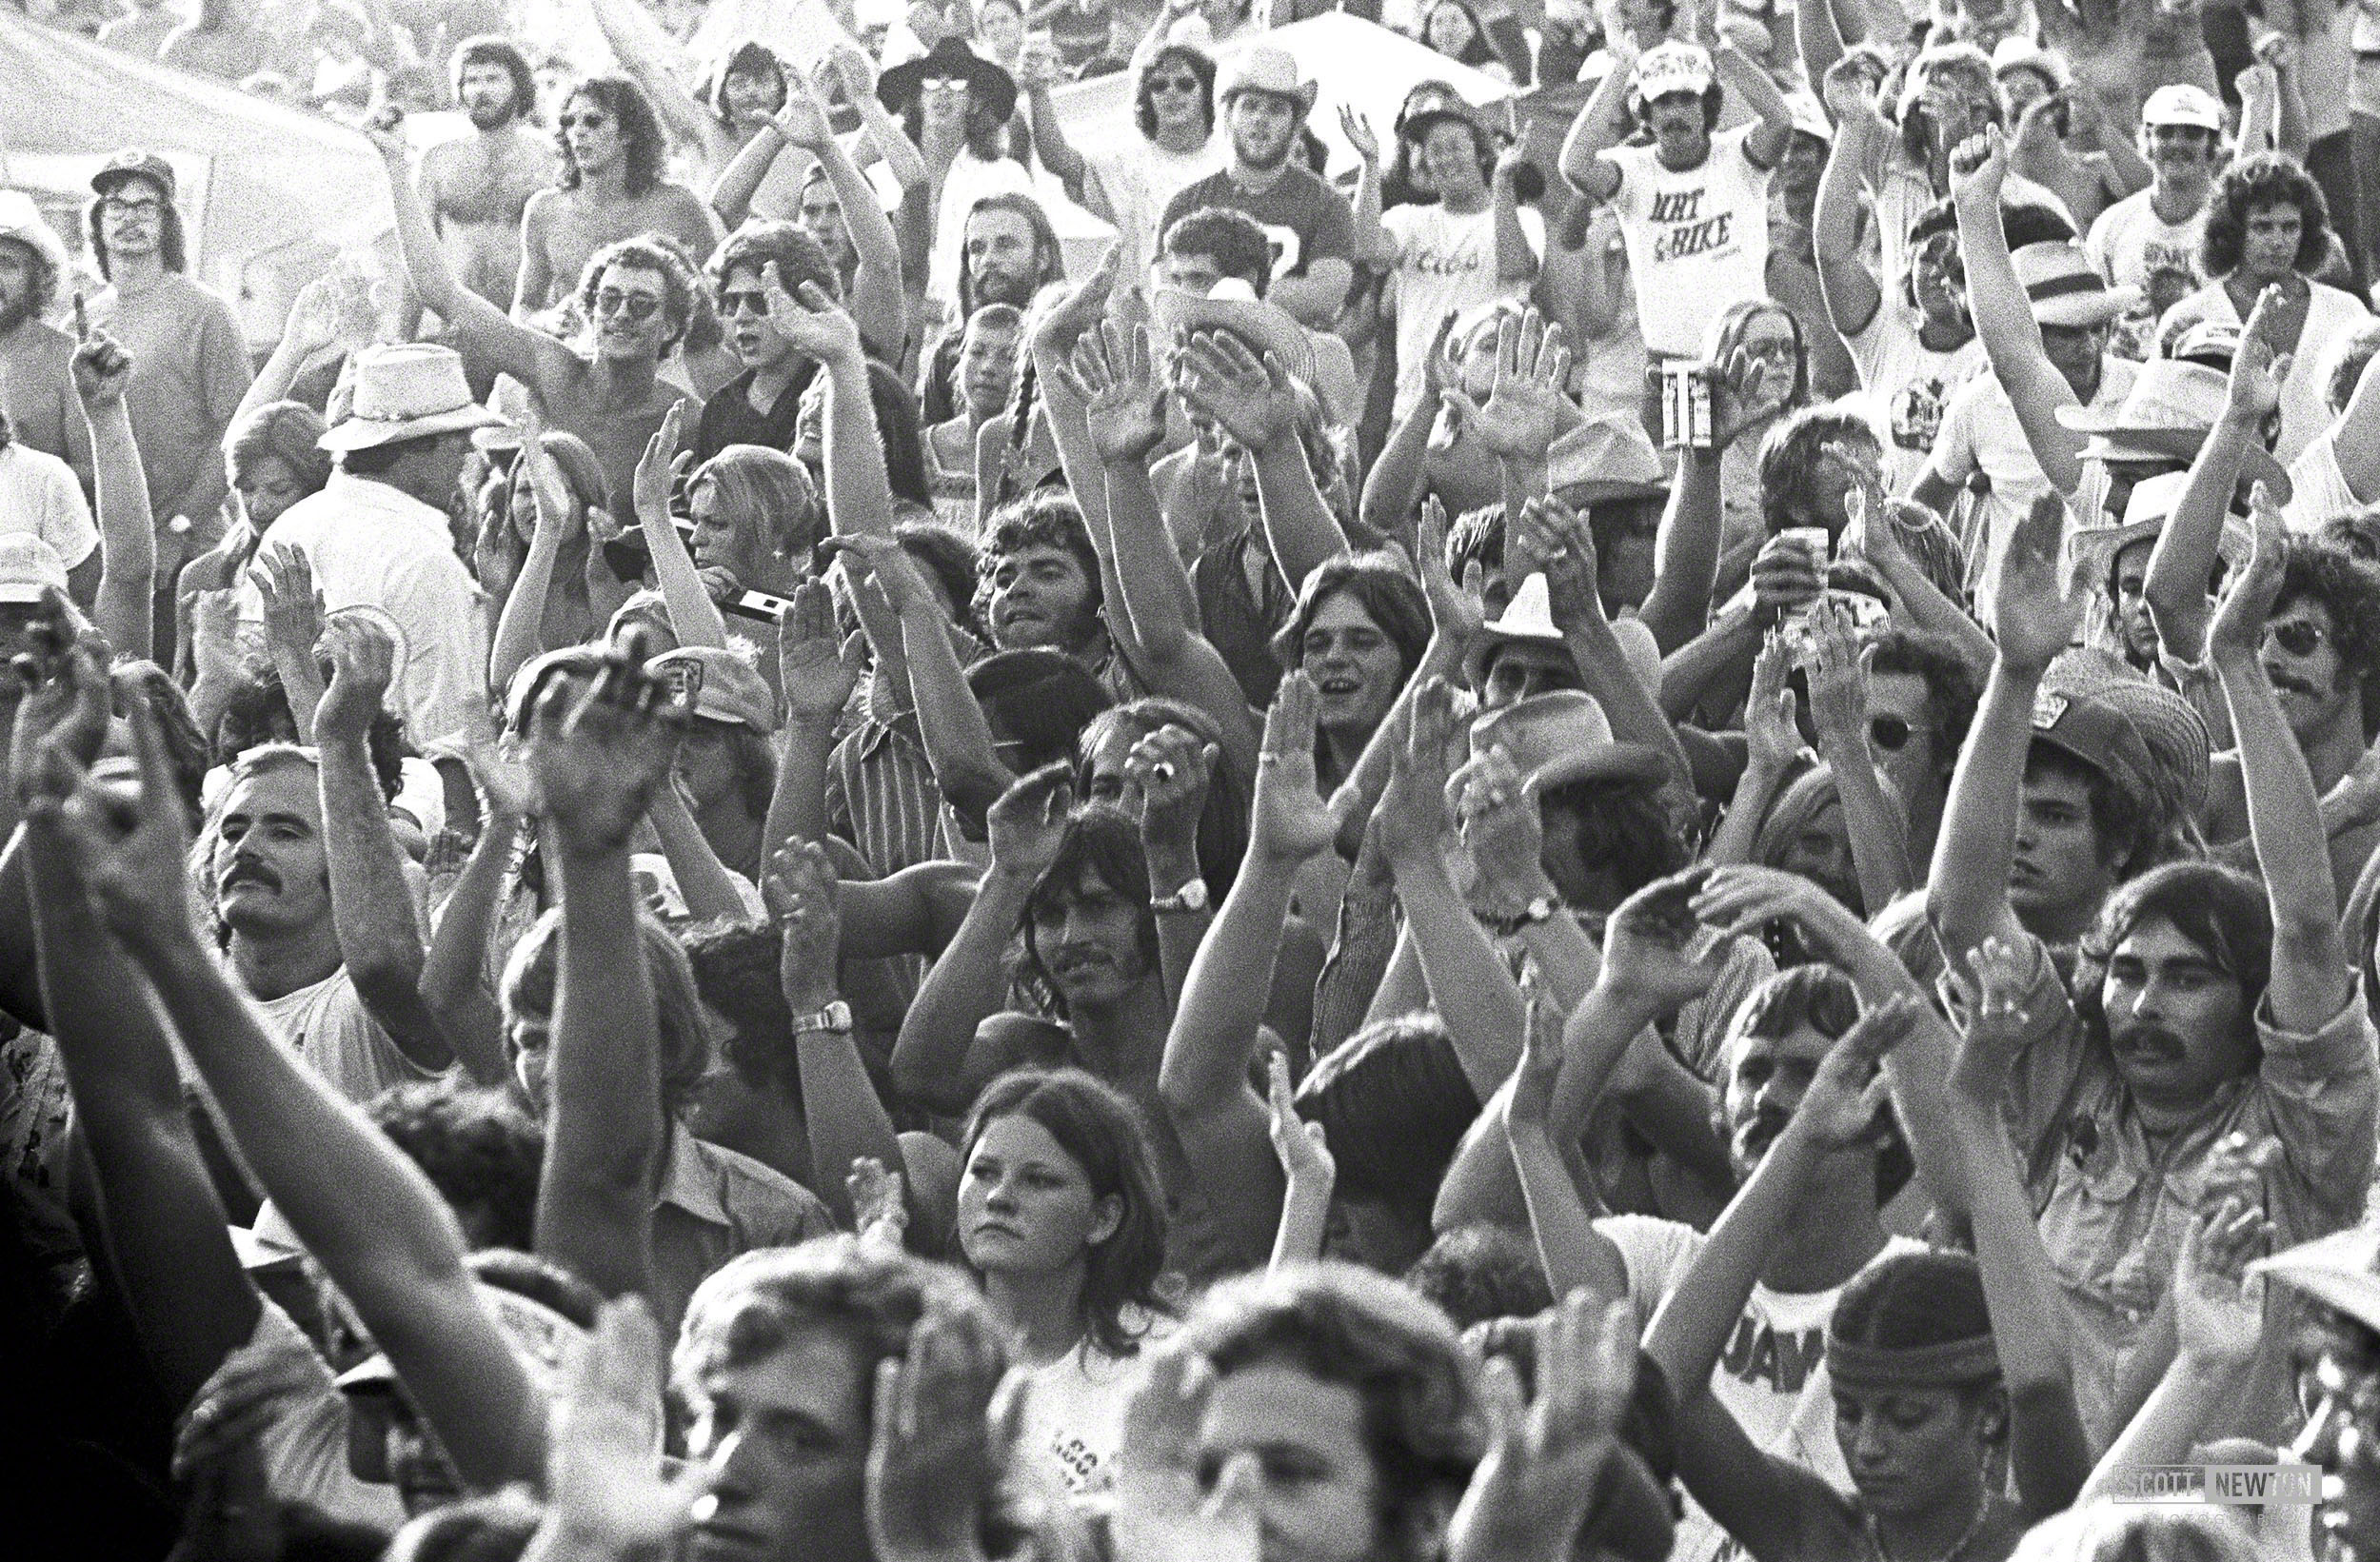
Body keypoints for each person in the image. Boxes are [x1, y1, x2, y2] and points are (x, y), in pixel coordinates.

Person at [1931, 489, 2379, 1438]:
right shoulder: (2067, 1071)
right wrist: (2014, 676)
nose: (2142, 1002)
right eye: (2127, 972)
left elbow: (2303, 924)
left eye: (2187, 979)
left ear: (2251, 1002)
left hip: (2222, 1512)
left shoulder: (2299, 1132)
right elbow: (1960, 910)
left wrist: (2236, 666)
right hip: (2042, 1500)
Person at [376, 124, 701, 517]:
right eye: (609, 299)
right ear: (590, 310)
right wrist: (395, 167)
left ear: (670, 327)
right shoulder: (555, 372)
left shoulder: (686, 419)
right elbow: (443, 293)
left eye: (641, 305)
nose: (620, 316)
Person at [249, 343, 497, 749]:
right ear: (414, 449)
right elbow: (449, 746)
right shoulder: (426, 562)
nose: (470, 454)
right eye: (460, 440)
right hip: (388, 802)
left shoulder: (288, 527)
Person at [953, 1066, 1172, 1494]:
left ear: (1104, 1218)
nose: (999, 1197)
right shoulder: (911, 1344)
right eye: (984, 1172)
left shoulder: (1162, 1366)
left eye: (1038, 1180)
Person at [85, 149, 252, 630]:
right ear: (98, 220)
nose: (130, 218)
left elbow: (237, 436)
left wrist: (179, 526)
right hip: (111, 553)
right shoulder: (85, 319)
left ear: (168, 221)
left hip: (192, 551)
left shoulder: (206, 312)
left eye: (147, 205)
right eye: (116, 204)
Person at [1557, 36, 1795, 365]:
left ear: (1707, 106)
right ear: (1647, 113)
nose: (1675, 114)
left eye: (1687, 100)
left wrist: (1720, 52)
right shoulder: (1632, 170)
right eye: (1663, 103)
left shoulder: (1739, 155)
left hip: (1746, 355)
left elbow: (1781, 120)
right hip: (1672, 362)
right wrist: (1622, 68)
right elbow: (1574, 165)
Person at [2158, 154, 2373, 465]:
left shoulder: (2346, 312)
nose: (2278, 241)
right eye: (2262, 227)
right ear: (2233, 233)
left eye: (2290, 227)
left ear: (2307, 232)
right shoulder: (2192, 318)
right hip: (2227, 488)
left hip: (2327, 489)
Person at [1359, 95, 1540, 425]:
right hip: (1415, 408)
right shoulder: (1410, 220)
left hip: (1490, 410)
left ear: (1480, 152)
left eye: (1455, 146)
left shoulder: (1524, 219)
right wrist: (1370, 165)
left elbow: (1516, 268)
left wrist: (1501, 184)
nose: (1444, 158)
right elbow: (1370, 248)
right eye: (1434, 149)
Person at [1158, 47, 1359, 331]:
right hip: (1203, 362)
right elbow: (1168, 302)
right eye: (1250, 105)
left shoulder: (1329, 205)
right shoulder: (1185, 205)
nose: (1260, 119)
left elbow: (1325, 295)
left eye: (1276, 109)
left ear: (1295, 125)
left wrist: (1214, 292)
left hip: (1293, 368)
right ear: (1228, 117)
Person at [1025, 41, 1223, 303]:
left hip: (1225, 312)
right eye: (1160, 86)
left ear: (1206, 92)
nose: (1172, 93)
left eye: (1185, 84)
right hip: (1150, 322)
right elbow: (1058, 161)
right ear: (1147, 97)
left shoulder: (1230, 160)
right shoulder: (1128, 165)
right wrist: (1038, 93)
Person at [511, 75, 723, 320]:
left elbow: (714, 296)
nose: (577, 132)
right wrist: (548, 320)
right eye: (569, 122)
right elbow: (523, 308)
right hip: (573, 350)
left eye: (593, 121)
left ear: (628, 133)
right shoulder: (545, 209)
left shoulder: (675, 204)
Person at [417, 38, 562, 318]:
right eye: (471, 81)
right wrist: (402, 335)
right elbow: (418, 255)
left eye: (493, 79)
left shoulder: (550, 159)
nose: (480, 90)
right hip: (455, 319)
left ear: (518, 87)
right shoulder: (436, 161)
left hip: (529, 324)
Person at [2084, 84, 2225, 318]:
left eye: (2192, 133)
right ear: (2148, 140)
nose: (2178, 143)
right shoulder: (2111, 225)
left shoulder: (2232, 224)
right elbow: (2092, 309)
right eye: (2166, 133)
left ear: (2212, 144)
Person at [0, 190, 89, 495]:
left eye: (6, 264)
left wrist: (19, 467)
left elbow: (95, 473)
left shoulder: (69, 360)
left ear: (38, 278)